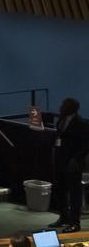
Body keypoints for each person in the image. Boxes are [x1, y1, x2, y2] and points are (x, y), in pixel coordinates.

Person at [51, 97, 89, 231]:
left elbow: (85, 145)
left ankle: (75, 223)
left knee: (74, 193)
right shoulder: (61, 119)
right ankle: (64, 217)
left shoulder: (81, 123)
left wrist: (76, 159)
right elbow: (59, 138)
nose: (61, 106)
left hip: (73, 163)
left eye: (63, 105)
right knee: (60, 190)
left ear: (71, 108)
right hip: (60, 161)